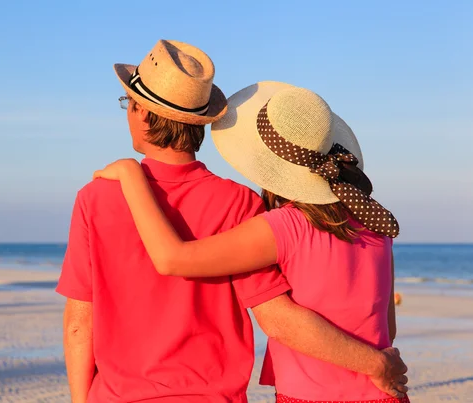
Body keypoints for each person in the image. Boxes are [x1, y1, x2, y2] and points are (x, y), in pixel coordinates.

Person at [58, 41, 407, 403]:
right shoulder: (241, 203)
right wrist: (374, 362)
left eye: (126, 105)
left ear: (143, 113)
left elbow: (79, 322)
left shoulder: (96, 197)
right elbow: (276, 310)